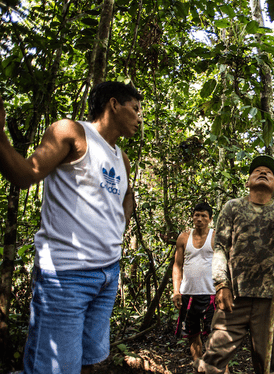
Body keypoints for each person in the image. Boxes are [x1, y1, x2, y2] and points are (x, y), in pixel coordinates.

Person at [0, 82, 142, 373]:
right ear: (114, 104)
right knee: (53, 368)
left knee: (89, 362)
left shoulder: (122, 158)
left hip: (107, 275)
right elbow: (27, 174)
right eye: (136, 109)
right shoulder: (72, 132)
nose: (140, 117)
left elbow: (127, 196)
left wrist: (117, 230)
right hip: (66, 277)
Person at [201, 154, 274, 374]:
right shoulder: (232, 207)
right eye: (257, 170)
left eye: (269, 172)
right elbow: (220, 246)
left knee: (267, 364)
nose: (263, 172)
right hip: (235, 296)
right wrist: (221, 284)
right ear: (247, 182)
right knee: (213, 358)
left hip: (271, 299)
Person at [172, 202, 217, 372]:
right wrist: (176, 291)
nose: (199, 219)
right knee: (192, 334)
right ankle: (199, 366)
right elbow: (177, 265)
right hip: (188, 295)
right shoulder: (184, 237)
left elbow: (226, 263)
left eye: (204, 216)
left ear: (210, 219)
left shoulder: (215, 236)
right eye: (196, 215)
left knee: (215, 336)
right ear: (192, 217)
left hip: (211, 294)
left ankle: (219, 368)